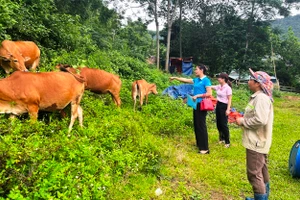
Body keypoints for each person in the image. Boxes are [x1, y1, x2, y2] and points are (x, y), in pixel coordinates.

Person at [236, 68, 274, 200]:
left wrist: (243, 121)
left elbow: (260, 119)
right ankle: (263, 197)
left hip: (256, 142)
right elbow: (257, 115)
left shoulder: (261, 98)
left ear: (258, 83)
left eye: (251, 79)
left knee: (254, 173)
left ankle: (260, 197)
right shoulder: (258, 97)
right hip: (258, 141)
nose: (249, 81)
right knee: (262, 170)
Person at [170, 64, 212, 154]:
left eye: (196, 69)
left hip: (202, 104)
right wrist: (175, 78)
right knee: (196, 124)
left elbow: (209, 93)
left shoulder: (206, 80)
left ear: (201, 70)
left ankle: (205, 148)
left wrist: (198, 95)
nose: (195, 71)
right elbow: (185, 80)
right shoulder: (196, 80)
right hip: (196, 104)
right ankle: (199, 144)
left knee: (201, 125)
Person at [211, 73, 232, 148]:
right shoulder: (219, 86)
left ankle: (227, 141)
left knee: (223, 124)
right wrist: (206, 86)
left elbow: (229, 99)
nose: (218, 79)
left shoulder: (228, 88)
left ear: (223, 79)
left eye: (219, 78)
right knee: (218, 123)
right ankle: (221, 138)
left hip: (224, 106)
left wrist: (228, 109)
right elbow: (212, 87)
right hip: (218, 105)